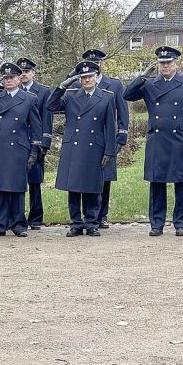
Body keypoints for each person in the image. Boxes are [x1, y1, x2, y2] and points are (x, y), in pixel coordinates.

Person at [124, 46, 183, 236]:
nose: (165, 66)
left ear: (176, 63)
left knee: (182, 183)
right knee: (157, 183)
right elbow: (127, 95)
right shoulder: (150, 83)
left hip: (180, 139)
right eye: (161, 63)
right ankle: (157, 223)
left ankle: (181, 223)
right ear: (157, 65)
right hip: (158, 139)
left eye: (168, 63)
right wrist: (142, 76)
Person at [48, 62, 117, 237]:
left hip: (95, 146)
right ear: (79, 79)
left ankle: (91, 223)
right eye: (83, 77)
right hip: (74, 146)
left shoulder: (107, 97)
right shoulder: (71, 95)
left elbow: (110, 126)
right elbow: (51, 105)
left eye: (90, 77)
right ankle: (76, 223)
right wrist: (61, 87)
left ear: (96, 77)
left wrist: (110, 151)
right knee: (74, 187)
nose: (87, 80)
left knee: (93, 186)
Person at [0, 62, 42, 238]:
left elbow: (36, 127)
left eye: (12, 77)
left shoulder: (29, 98)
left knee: (17, 185)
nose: (8, 81)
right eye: (5, 78)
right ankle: (0, 224)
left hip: (18, 146)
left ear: (19, 79)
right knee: (1, 185)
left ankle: (19, 224)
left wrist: (35, 150)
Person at [77, 49, 129, 228]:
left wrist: (122, 134)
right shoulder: (79, 84)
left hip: (106, 136)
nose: (95, 65)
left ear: (101, 65)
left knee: (104, 177)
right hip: (84, 139)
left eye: (97, 62)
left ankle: (102, 214)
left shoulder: (113, 84)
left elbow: (122, 110)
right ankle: (86, 215)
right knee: (84, 177)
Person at [16, 58, 52, 230]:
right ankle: (17, 217)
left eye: (26, 72)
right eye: (21, 72)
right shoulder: (13, 91)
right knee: (16, 181)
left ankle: (36, 218)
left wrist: (44, 144)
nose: (23, 75)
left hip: (35, 142)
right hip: (18, 141)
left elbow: (47, 118)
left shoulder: (43, 92)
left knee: (35, 181)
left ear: (33, 73)